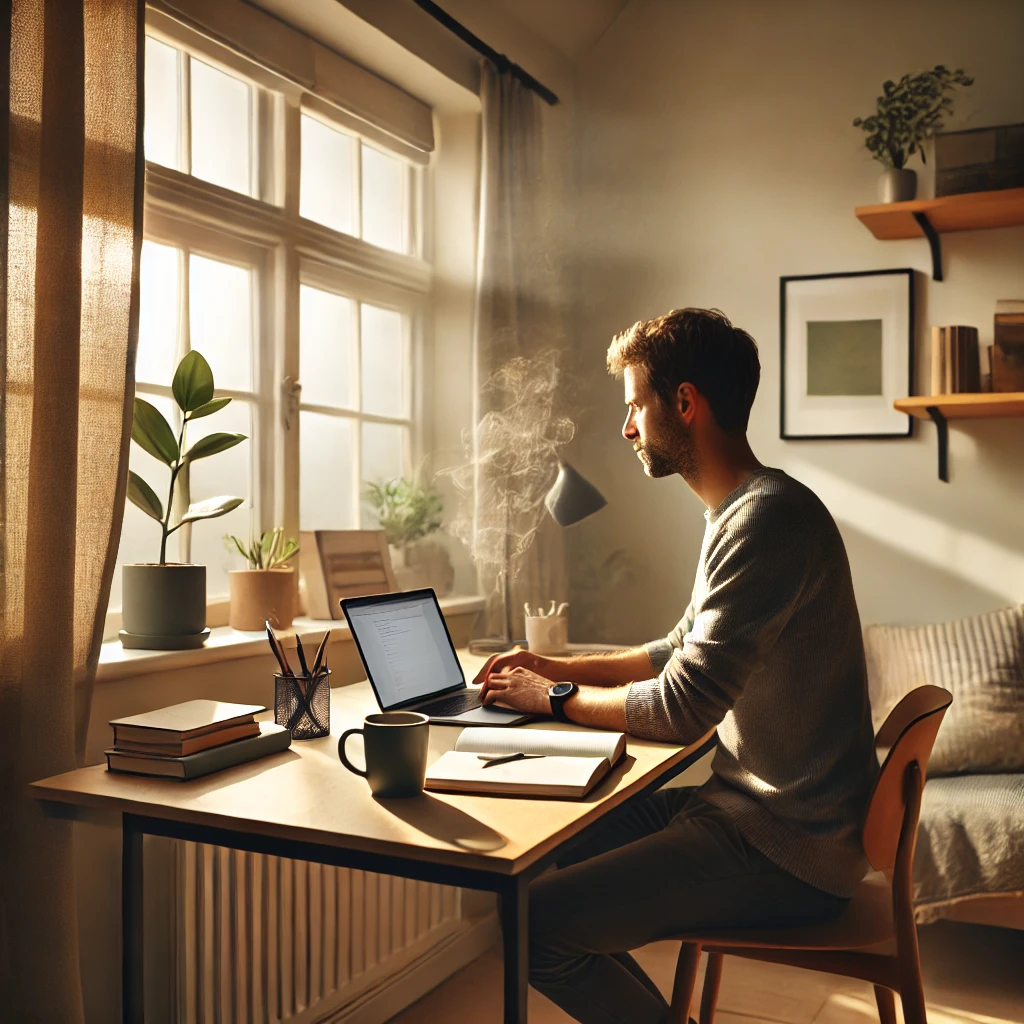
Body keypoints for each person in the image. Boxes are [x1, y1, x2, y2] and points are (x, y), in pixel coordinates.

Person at [474, 308, 879, 1024]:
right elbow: (676, 649)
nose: (628, 428)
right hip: (746, 809)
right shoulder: (741, 511)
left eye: (635, 405)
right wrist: (551, 663)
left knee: (533, 925)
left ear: (685, 403)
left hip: (785, 846)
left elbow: (683, 707)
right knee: (559, 844)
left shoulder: (766, 520)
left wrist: (553, 696)